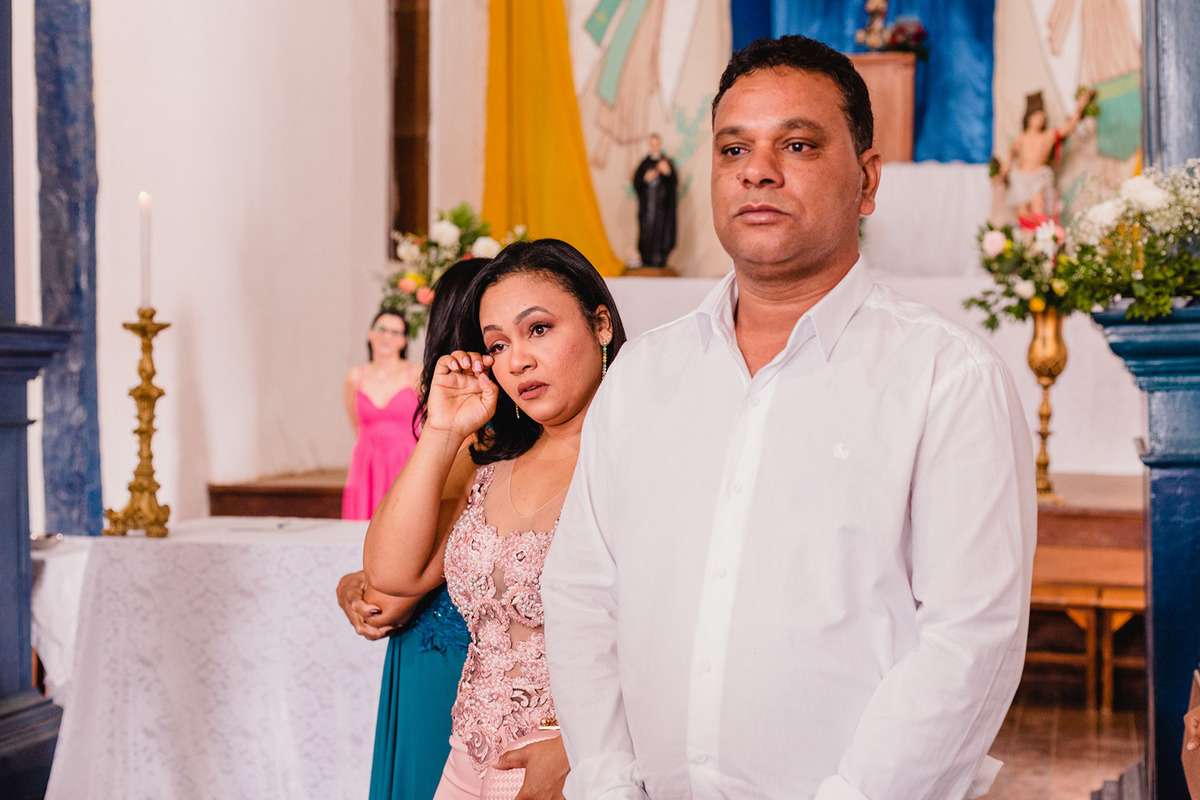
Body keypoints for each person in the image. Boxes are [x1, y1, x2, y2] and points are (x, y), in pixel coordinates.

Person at [541, 35, 1037, 800]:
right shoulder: (642, 377)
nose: (758, 171)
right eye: (733, 149)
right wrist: (607, 782)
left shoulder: (945, 378)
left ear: (867, 180)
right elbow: (582, 592)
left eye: (797, 144)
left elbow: (971, 637)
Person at [361, 239, 627, 800]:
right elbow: (390, 574)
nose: (517, 360)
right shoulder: (493, 462)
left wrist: (582, 747)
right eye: (497, 344)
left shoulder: (639, 457)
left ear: (600, 324)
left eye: (539, 329)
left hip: (579, 767)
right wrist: (442, 432)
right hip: (464, 762)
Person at [336, 259, 484, 800]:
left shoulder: (478, 443)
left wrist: (365, 584)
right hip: (435, 650)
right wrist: (354, 581)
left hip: (451, 664)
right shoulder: (469, 435)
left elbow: (389, 595)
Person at [342, 308, 421, 520]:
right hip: (366, 462)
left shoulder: (416, 374)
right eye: (381, 329)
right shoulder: (354, 376)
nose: (387, 336)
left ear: (404, 340)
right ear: (370, 333)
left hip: (406, 460)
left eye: (395, 332)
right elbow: (355, 422)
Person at [998, 89, 1094, 221]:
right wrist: (1001, 174)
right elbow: (1010, 159)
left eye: (1042, 116)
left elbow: (1068, 127)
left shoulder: (1047, 136)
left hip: (1038, 177)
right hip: (1020, 177)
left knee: (1038, 208)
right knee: (1022, 213)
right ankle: (1027, 234)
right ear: (1029, 117)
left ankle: (1042, 233)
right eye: (1036, 116)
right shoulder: (1020, 138)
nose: (1040, 119)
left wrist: (1080, 107)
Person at [632, 133, 677, 268]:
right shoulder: (644, 163)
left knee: (662, 231)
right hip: (648, 206)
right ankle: (646, 258)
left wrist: (667, 173)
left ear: (659, 145)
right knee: (647, 230)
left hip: (662, 208)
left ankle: (660, 257)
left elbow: (674, 182)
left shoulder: (666, 162)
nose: (654, 146)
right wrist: (645, 178)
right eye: (652, 144)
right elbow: (637, 181)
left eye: (656, 144)